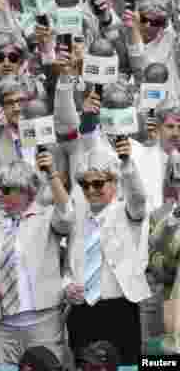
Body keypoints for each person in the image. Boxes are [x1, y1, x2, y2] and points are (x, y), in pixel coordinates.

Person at [0, 157, 72, 366]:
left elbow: (67, 216)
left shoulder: (48, 218)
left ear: (26, 191)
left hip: (43, 325)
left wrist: (52, 175)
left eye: (7, 189)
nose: (0, 194)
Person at [65, 141, 149, 366]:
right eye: (85, 185)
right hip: (82, 312)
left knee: (125, 367)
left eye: (98, 183)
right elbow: (67, 268)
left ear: (114, 182)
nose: (91, 190)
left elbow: (139, 198)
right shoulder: (76, 220)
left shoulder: (128, 212)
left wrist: (127, 163)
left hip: (119, 311)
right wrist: (68, 287)